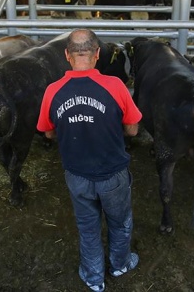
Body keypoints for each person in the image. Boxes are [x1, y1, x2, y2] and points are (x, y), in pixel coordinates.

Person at [37, 29, 142, 292]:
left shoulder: (52, 91)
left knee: (88, 227)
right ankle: (120, 263)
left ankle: (94, 277)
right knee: (120, 222)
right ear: (97, 54)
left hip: (77, 174)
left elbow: (48, 132)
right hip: (113, 174)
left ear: (67, 55)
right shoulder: (116, 86)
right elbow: (133, 129)